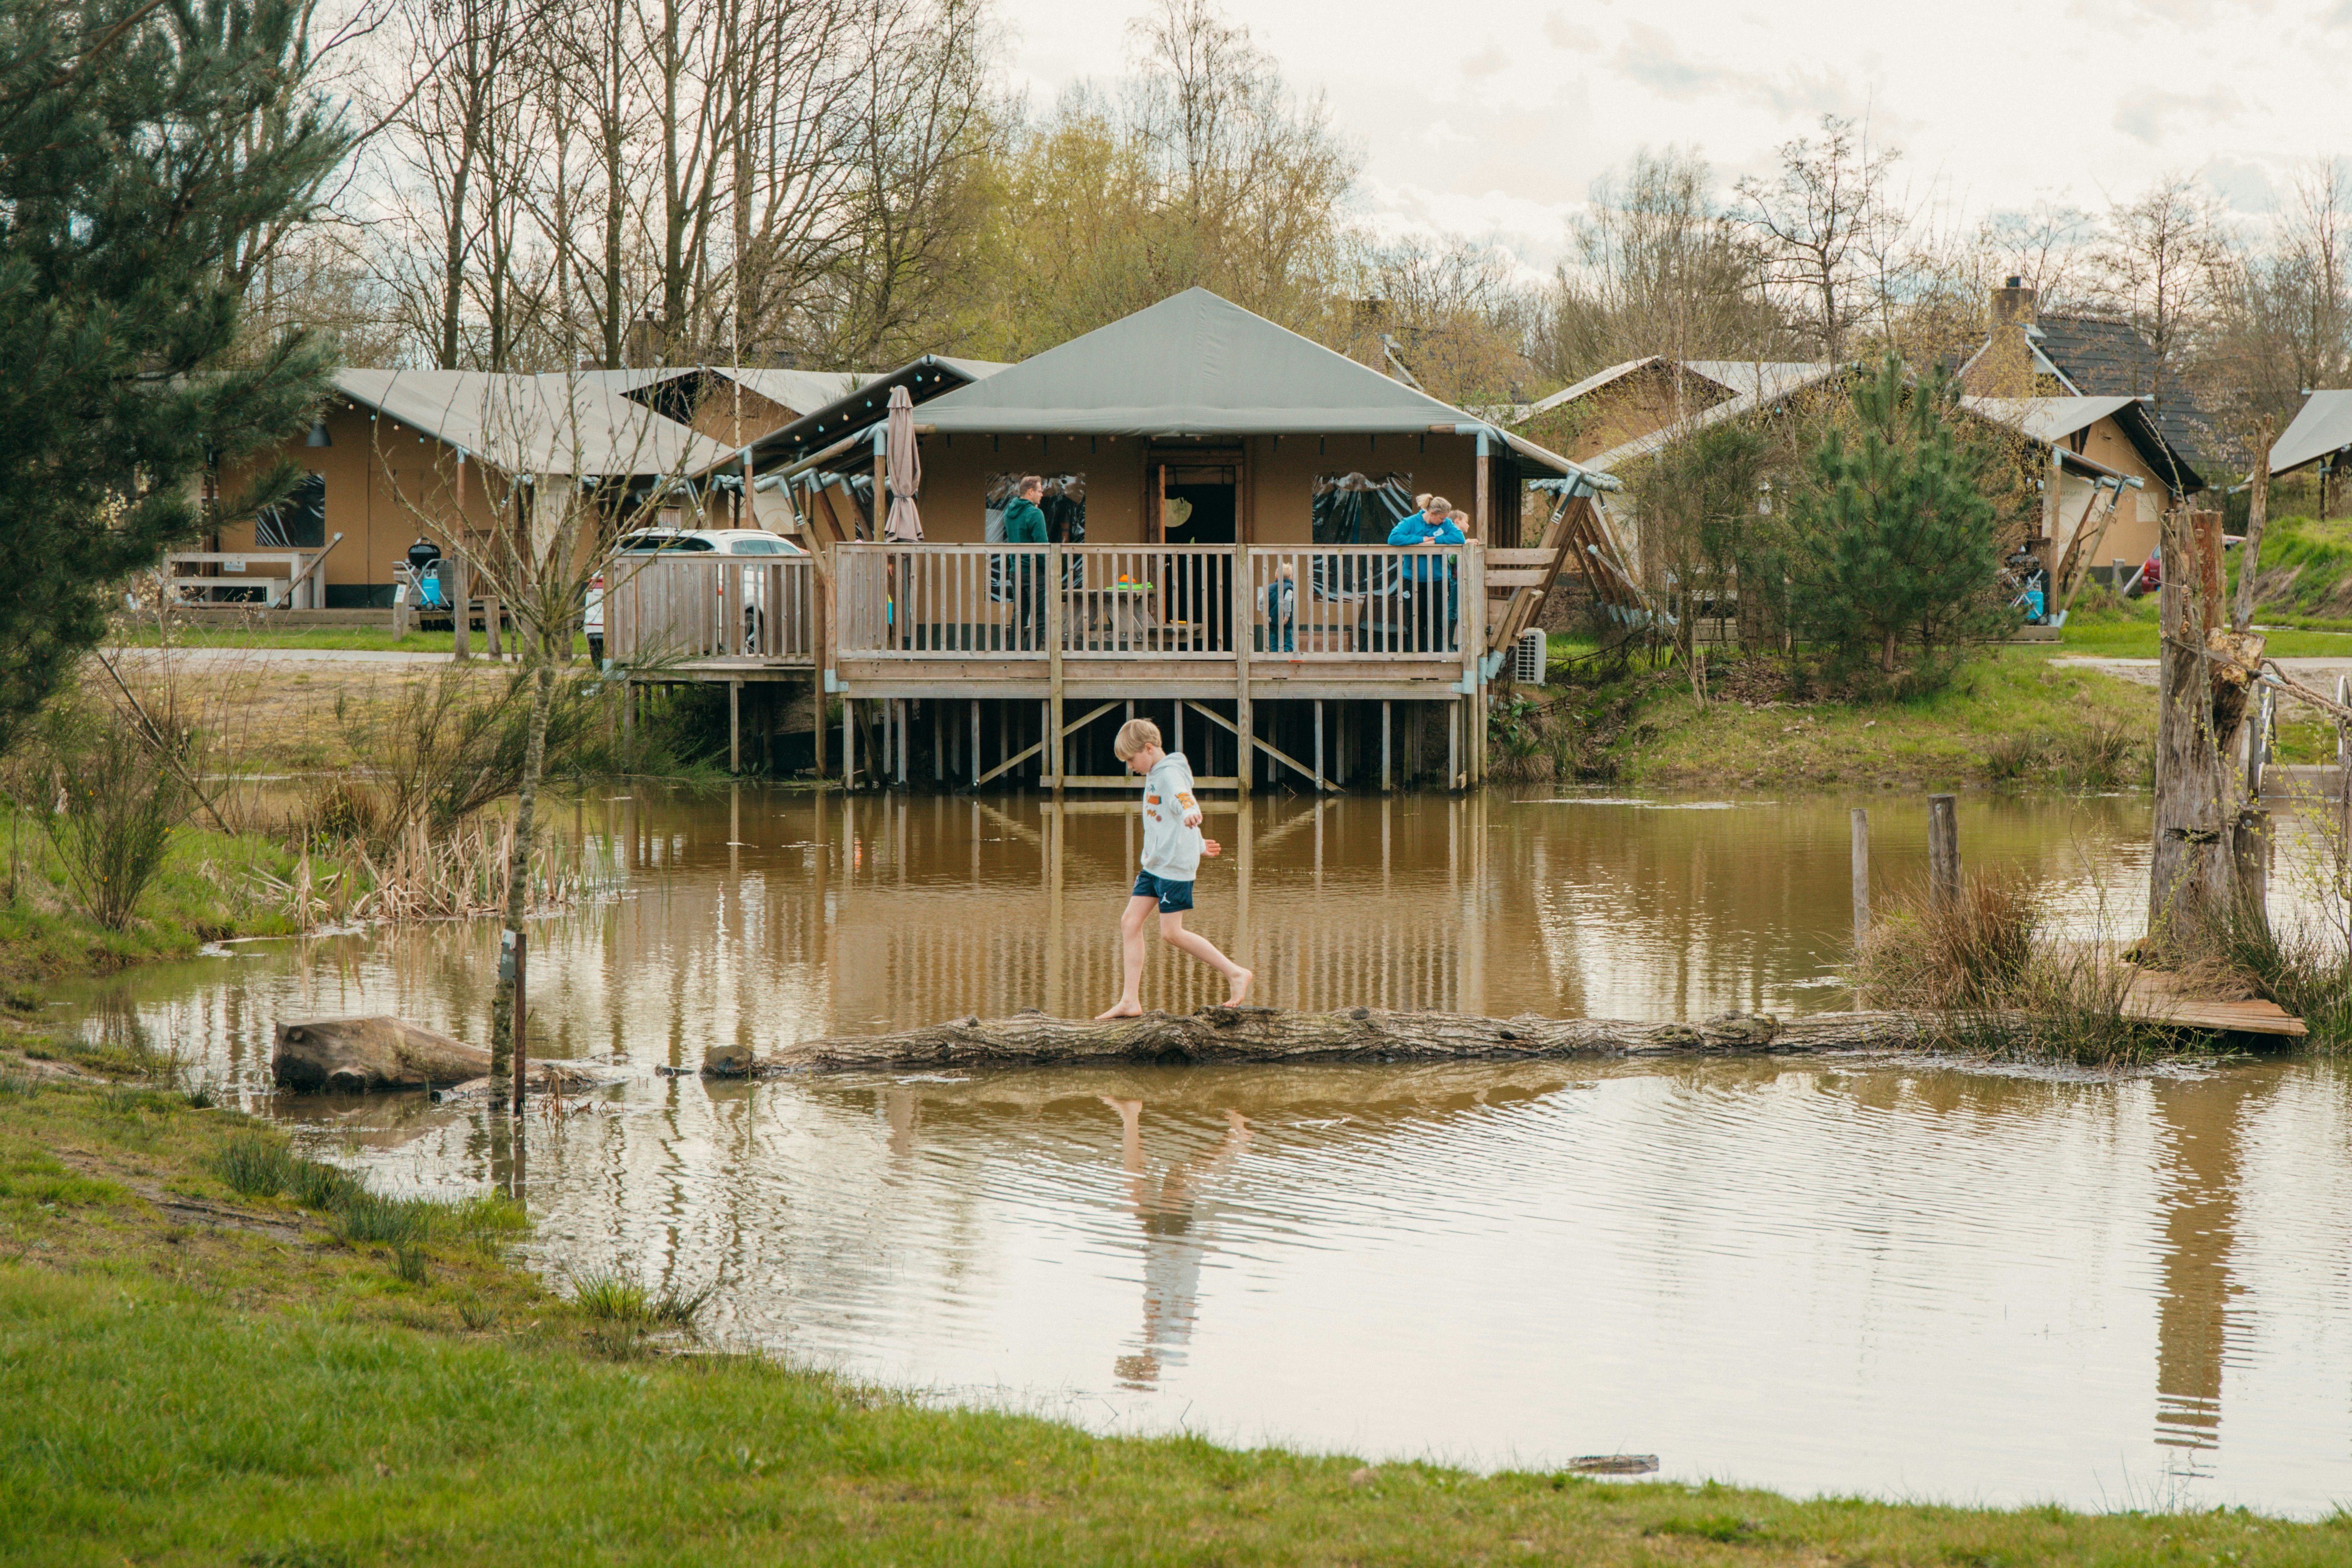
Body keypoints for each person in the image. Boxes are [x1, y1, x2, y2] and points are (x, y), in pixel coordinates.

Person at [1097, 717, 1252, 1018]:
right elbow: (1169, 819)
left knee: (1171, 933)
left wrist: (1191, 812)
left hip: (1173, 868)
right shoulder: (1154, 772)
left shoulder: (1169, 774)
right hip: (1155, 864)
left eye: (1131, 759)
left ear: (1149, 748)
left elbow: (1183, 798)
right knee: (1130, 923)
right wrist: (1198, 843)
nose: (1130, 766)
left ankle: (1235, 973)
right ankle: (1130, 1001)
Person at [1387, 493, 1464, 651]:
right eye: (1441, 518)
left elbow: (1459, 538)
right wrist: (1420, 540)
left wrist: (1436, 541)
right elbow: (1393, 538)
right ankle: (1416, 659)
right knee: (1416, 621)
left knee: (1437, 622)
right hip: (1412, 580)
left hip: (1439, 580)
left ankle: (1436, 659)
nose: (1443, 521)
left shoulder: (1446, 524)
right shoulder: (1411, 522)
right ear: (1432, 513)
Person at [1002, 474, 1049, 649]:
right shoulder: (1035, 514)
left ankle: (1014, 654)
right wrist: (1048, 571)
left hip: (1016, 570)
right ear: (1031, 492)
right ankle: (1031, 654)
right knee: (1040, 617)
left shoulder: (1009, 512)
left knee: (1019, 615)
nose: (1042, 495)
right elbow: (1042, 546)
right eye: (1040, 491)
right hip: (1034, 572)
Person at [1265, 560, 1296, 652]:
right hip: (1285, 621)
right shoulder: (1289, 588)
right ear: (1291, 577)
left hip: (1272, 620)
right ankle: (1286, 655)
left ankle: (1276, 656)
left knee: (1274, 640)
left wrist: (1265, 615)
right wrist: (1287, 616)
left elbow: (1261, 601)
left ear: (1276, 576)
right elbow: (1287, 600)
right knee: (1287, 640)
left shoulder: (1269, 588)